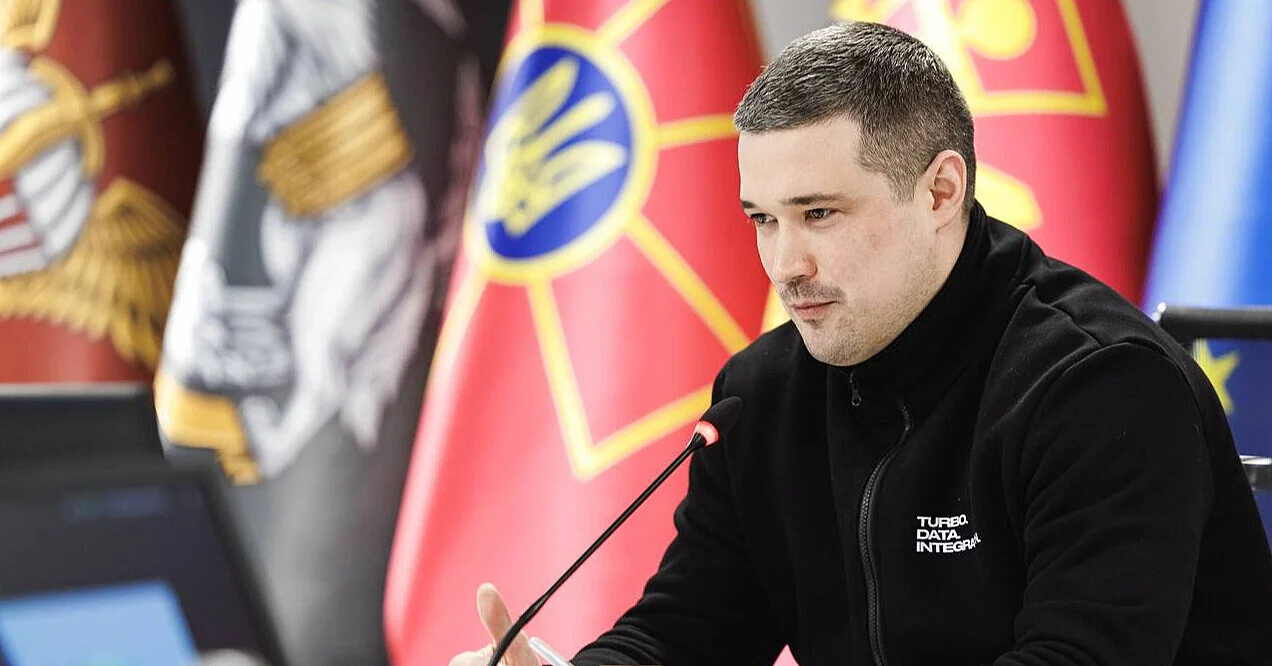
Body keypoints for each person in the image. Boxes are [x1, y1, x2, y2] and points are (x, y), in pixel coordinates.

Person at [451, 21, 1272, 666]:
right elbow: (686, 632)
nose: (786, 264)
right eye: (763, 219)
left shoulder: (1101, 387)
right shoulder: (759, 400)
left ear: (941, 190)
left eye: (819, 214)